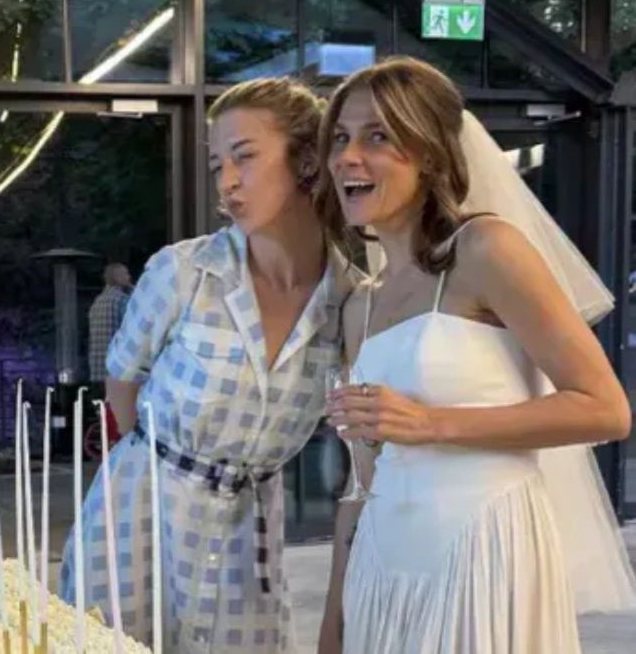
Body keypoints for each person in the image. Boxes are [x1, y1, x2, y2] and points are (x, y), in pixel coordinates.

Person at [316, 56, 636, 654]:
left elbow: (605, 409)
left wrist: (431, 423)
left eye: (377, 136)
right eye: (340, 138)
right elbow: (361, 485)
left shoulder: (486, 248)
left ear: (430, 153)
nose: (346, 157)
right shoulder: (361, 303)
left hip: (484, 551)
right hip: (382, 566)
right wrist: (333, 625)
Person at [59, 77, 354, 653]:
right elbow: (123, 380)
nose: (227, 181)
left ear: (307, 160)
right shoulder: (184, 272)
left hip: (250, 533)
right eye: (219, 164)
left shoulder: (348, 299)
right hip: (142, 515)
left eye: (245, 156)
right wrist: (159, 468)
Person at [87, 262, 133, 388]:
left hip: (98, 368)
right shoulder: (122, 300)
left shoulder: (97, 302)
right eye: (126, 274)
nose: (129, 277)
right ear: (117, 278)